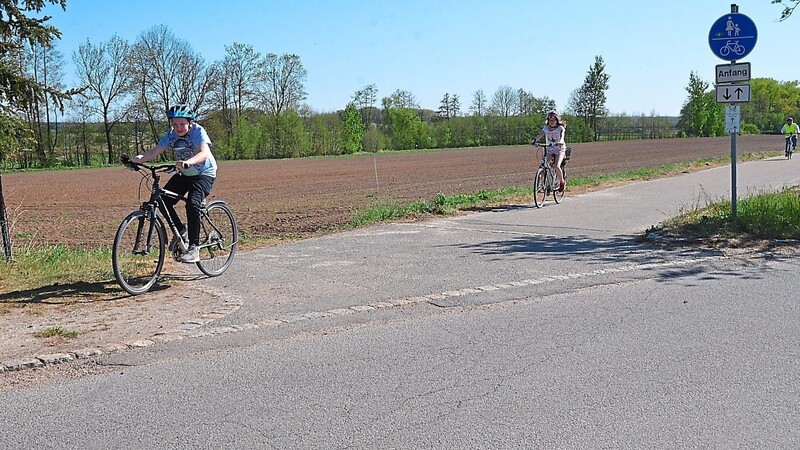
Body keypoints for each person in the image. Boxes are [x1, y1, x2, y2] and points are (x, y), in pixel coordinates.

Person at [126, 104, 217, 263]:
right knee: (162, 201)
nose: (178, 127)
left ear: (190, 122)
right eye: (175, 124)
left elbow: (204, 153)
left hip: (204, 173)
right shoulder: (170, 135)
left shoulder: (198, 131)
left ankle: (194, 248)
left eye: (182, 124)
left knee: (192, 203)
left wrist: (188, 162)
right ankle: (182, 232)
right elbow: (153, 153)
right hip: (185, 173)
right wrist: (133, 160)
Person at [531, 111, 567, 192]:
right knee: (543, 166)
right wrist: (535, 140)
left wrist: (560, 141)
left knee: (557, 166)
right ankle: (540, 184)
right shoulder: (546, 128)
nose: (551, 122)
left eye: (553, 120)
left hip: (559, 149)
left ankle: (562, 182)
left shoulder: (560, 128)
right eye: (550, 120)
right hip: (549, 150)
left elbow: (562, 136)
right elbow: (540, 135)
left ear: (557, 120)